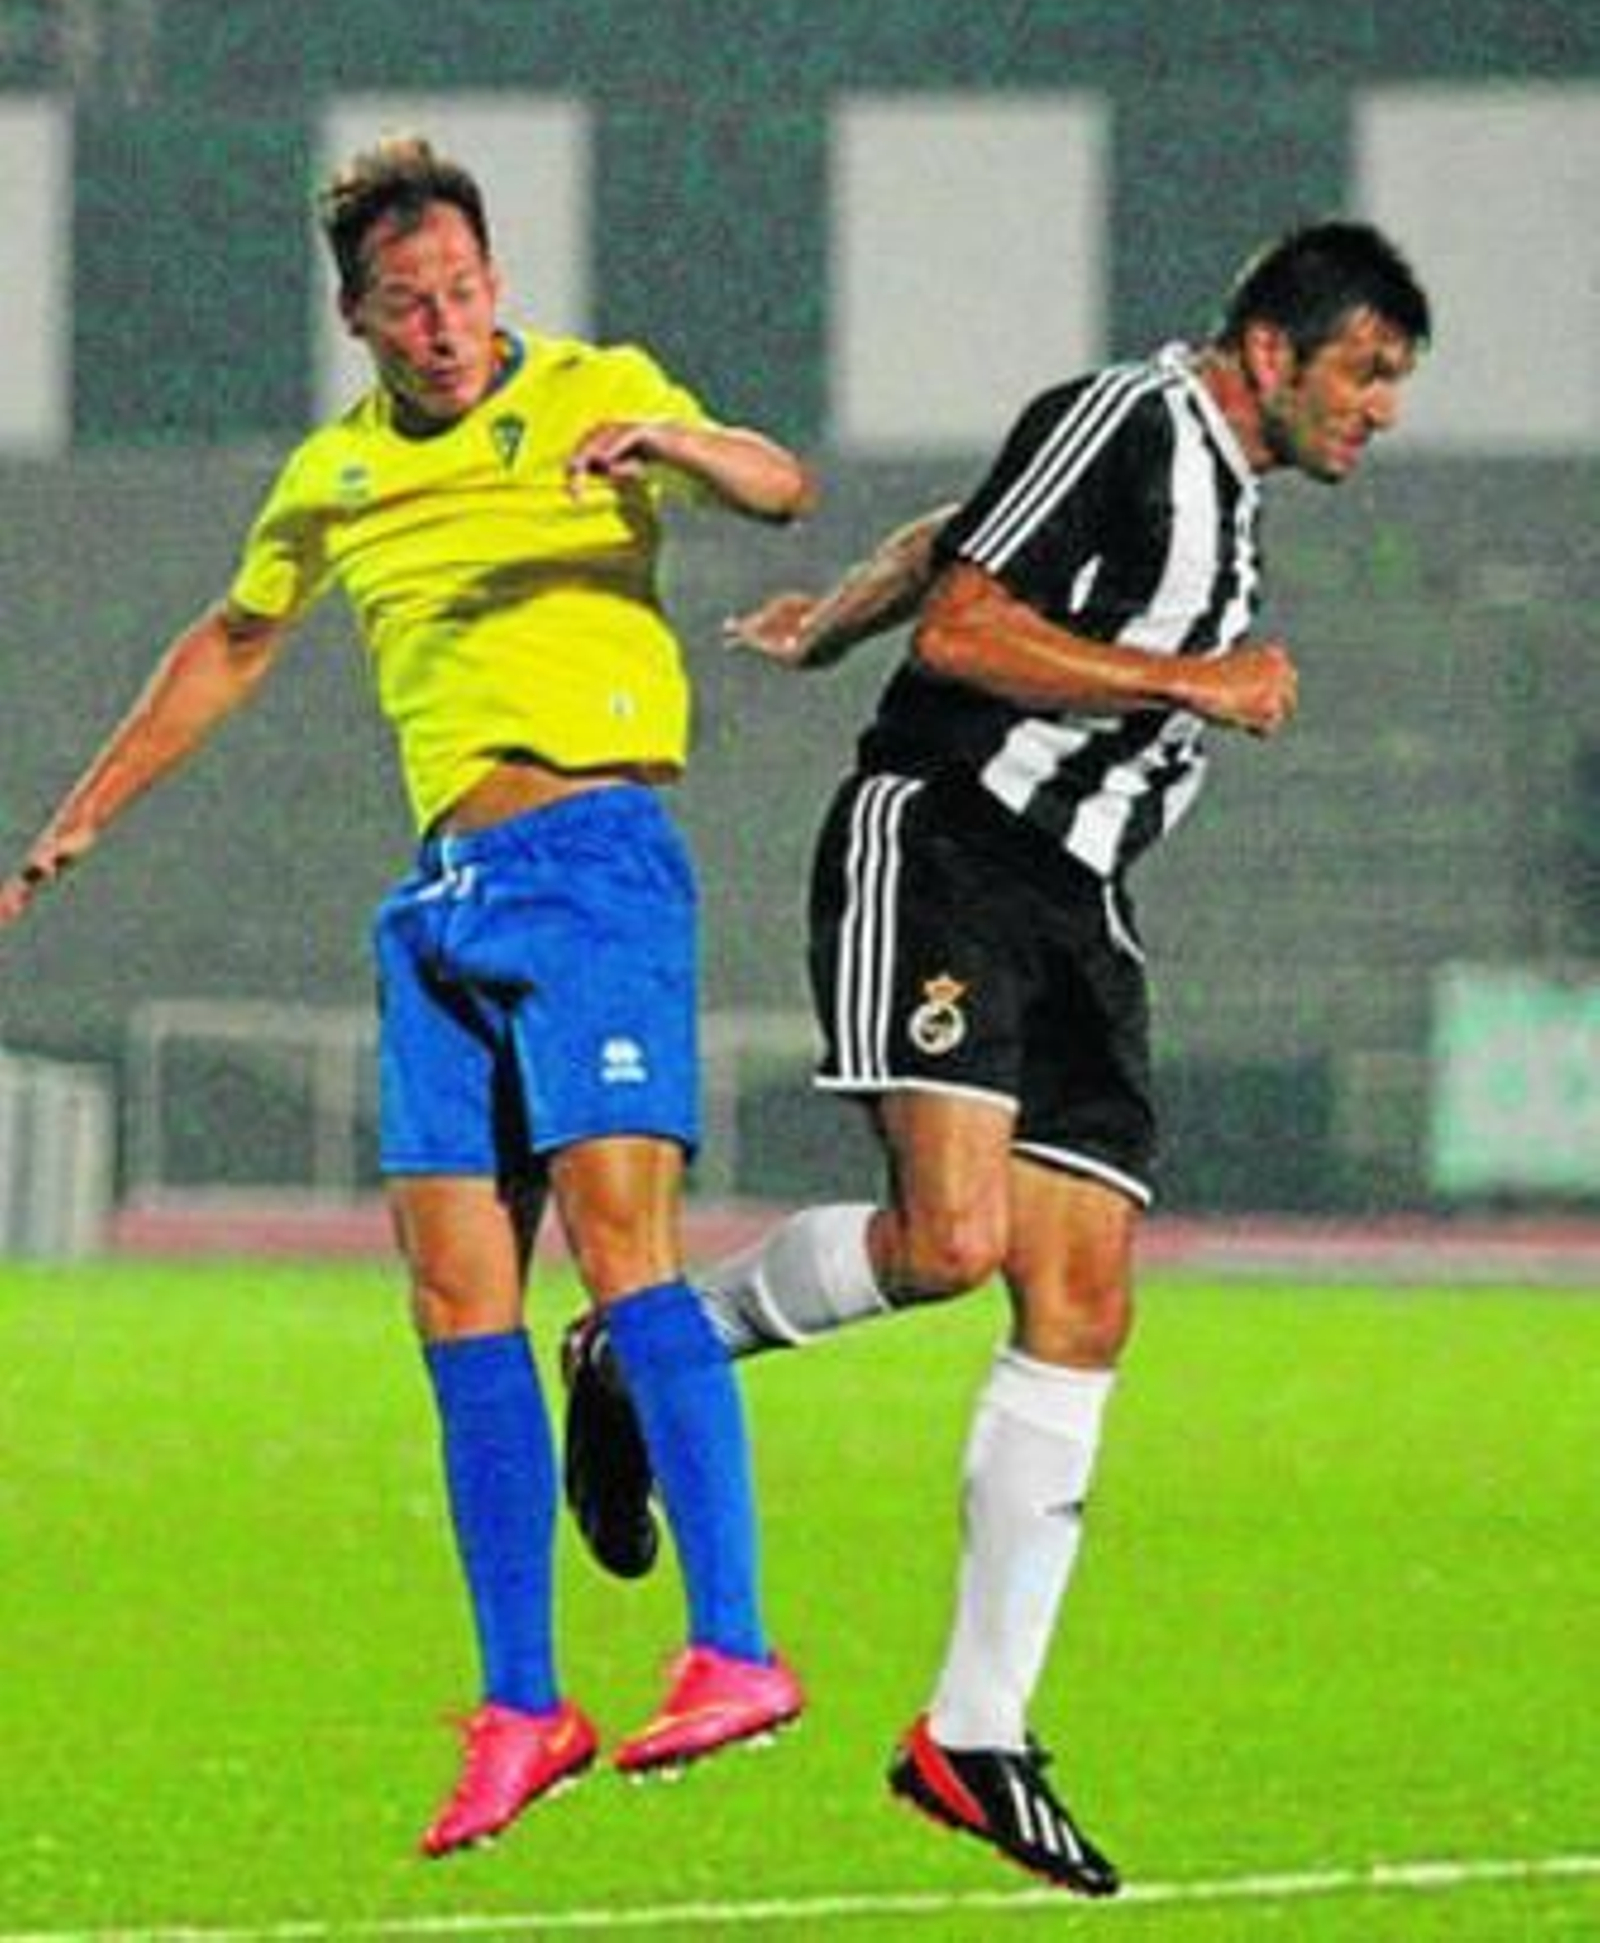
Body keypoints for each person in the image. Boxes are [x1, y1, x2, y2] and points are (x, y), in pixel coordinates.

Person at [564, 219, 1433, 1895]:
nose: (1381, 410)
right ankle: (632, 1343)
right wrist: (1193, 680)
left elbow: (951, 539)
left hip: (1081, 906)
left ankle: (974, 1733)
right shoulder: (1129, 415)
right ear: (1273, 350)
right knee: (951, 1246)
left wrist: (828, 617)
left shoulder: (1221, 490)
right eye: (1367, 373)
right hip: (955, 845)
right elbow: (968, 627)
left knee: (1084, 1301)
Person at [0, 136, 816, 1857]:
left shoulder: (599, 388)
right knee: (456, 1304)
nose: (442, 328)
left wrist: (674, 441)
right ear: (357, 323)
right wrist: (82, 812)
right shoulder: (335, 475)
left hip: (593, 866)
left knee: (619, 1249)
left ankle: (733, 1648)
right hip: (438, 898)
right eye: (406, 308)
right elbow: (233, 638)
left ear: (494, 283)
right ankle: (526, 1701)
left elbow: (779, 486)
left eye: (460, 293)